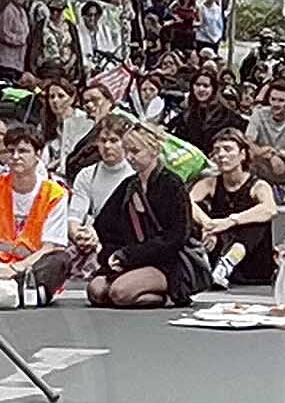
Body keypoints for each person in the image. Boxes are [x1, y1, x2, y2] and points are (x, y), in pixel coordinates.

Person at [83, 121, 201, 307]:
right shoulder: (129, 185)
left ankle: (169, 295)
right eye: (128, 151)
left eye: (136, 151)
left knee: (119, 293)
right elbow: (105, 226)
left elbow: (177, 236)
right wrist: (112, 255)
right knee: (96, 291)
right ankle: (144, 291)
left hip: (167, 261)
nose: (130, 157)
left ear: (154, 150)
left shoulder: (172, 184)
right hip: (131, 259)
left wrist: (129, 254)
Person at [0, 127, 82, 302]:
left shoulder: (55, 192)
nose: (15, 157)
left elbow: (50, 246)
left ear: (38, 154)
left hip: (33, 265)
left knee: (60, 260)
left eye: (23, 151)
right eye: (11, 151)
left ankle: (22, 288)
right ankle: (13, 290)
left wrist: (16, 269)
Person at [194, 133, 285, 289]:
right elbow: (187, 202)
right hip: (220, 249)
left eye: (227, 149)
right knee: (198, 209)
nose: (221, 155)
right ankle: (206, 262)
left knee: (257, 218)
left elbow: (270, 209)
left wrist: (230, 221)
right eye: (217, 150)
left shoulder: (258, 185)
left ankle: (229, 262)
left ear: (242, 155)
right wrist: (207, 224)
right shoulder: (209, 183)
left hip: (252, 265)